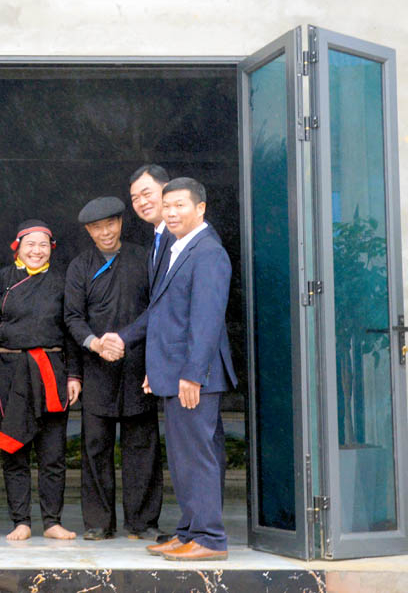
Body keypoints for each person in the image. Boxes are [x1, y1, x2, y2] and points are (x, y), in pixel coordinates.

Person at [135, 177, 238, 561]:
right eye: (168, 206)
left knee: (197, 456)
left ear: (201, 209)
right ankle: (190, 530)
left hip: (196, 376)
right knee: (184, 457)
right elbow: (166, 317)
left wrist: (193, 374)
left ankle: (210, 538)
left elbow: (206, 320)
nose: (172, 212)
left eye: (180, 205)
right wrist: (157, 368)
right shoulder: (179, 248)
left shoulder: (208, 252)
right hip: (176, 371)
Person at [63, 196, 163, 541]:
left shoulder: (144, 258)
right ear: (89, 231)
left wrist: (149, 358)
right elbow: (72, 318)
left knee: (143, 449)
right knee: (95, 449)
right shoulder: (80, 266)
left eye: (110, 224)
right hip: (96, 368)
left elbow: (157, 309)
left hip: (138, 367)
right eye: (96, 227)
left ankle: (143, 522)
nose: (105, 232)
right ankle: (97, 523)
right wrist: (93, 344)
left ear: (121, 223)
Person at [0, 220, 80, 541]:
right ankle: (20, 521)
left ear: (51, 248)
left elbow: (72, 333)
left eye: (42, 245)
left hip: (51, 372)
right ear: (17, 247)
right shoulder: (1, 280)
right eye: (29, 245)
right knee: (15, 451)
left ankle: (52, 522)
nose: (36, 251)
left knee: (53, 454)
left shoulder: (63, 283)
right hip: (9, 373)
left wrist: (74, 375)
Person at [128, 164, 173, 289]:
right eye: (135, 199)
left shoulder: (185, 236)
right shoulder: (156, 238)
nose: (142, 202)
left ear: (167, 189)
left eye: (147, 194)